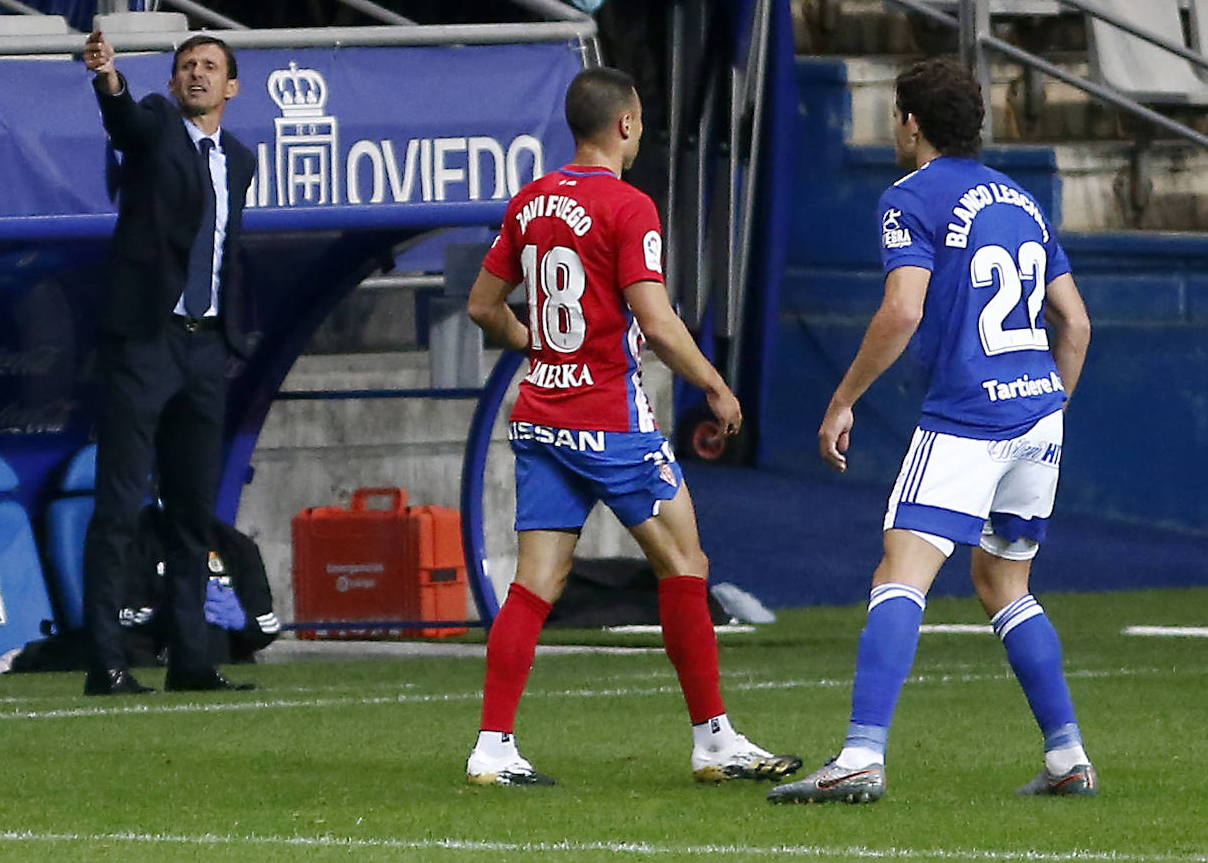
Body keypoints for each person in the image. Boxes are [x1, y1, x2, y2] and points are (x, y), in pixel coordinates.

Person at [766, 57, 1095, 804]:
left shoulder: (909, 197)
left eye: (894, 116)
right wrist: (1051, 410)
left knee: (899, 571)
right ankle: (1067, 753)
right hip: (1038, 411)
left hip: (968, 414)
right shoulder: (1023, 199)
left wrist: (843, 397)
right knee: (1004, 579)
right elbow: (1074, 322)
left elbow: (903, 309)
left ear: (912, 123)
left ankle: (859, 753)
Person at [464, 66, 802, 787]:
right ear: (626, 124)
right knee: (685, 565)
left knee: (536, 582)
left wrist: (538, 345)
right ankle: (713, 739)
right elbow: (654, 319)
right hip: (609, 421)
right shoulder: (629, 206)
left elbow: (482, 306)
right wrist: (713, 382)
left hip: (540, 414)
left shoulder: (530, 202)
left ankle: (493, 745)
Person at [79, 30, 257, 696]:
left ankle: (190, 658)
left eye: (210, 67)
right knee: (121, 505)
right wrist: (109, 79)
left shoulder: (239, 159)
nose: (197, 75)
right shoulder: (156, 122)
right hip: (147, 341)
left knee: (191, 512)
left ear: (231, 86)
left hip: (207, 346)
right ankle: (108, 660)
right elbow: (124, 122)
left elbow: (226, 250)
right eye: (187, 66)